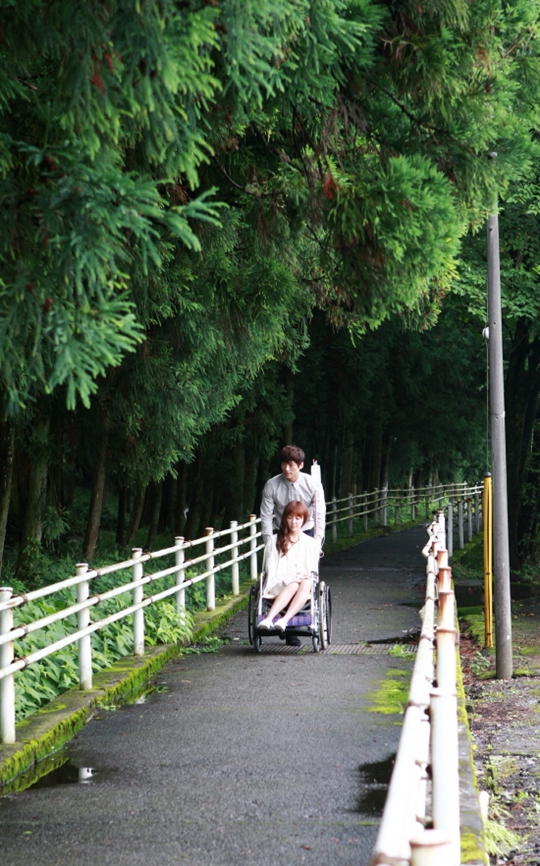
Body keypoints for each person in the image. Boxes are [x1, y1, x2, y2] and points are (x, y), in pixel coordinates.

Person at [259, 444, 325, 645]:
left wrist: (317, 542)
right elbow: (266, 516)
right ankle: (281, 623)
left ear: (300, 465)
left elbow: (320, 513)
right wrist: (270, 543)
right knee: (286, 576)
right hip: (282, 532)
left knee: (305, 578)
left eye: (291, 465)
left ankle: (291, 627)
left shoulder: (312, 484)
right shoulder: (272, 485)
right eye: (284, 464)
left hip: (308, 531)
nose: (287, 469)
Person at [258, 501, 320, 632]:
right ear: (285, 519)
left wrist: (299, 577)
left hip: (301, 584)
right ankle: (269, 619)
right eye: (290, 517)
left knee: (306, 582)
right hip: (279, 583)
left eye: (298, 518)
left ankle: (284, 620)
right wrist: (288, 578)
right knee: (293, 585)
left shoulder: (311, 543)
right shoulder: (274, 541)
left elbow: (311, 571)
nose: (293, 522)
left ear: (303, 520)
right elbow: (271, 568)